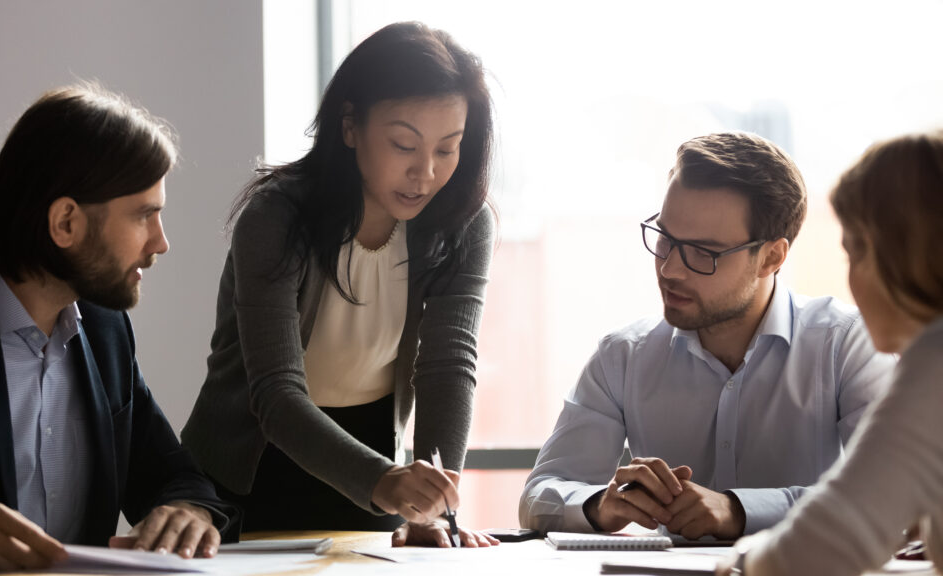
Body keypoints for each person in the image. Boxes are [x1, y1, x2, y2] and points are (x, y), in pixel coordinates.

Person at [181, 22, 497, 548]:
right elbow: (275, 394)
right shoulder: (275, 217)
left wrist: (431, 505)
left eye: (448, 149)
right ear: (350, 125)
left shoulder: (462, 223)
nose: (426, 173)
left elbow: (448, 365)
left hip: (369, 466)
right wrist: (383, 480)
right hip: (246, 472)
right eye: (403, 144)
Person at [0, 85, 235, 573]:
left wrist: (187, 512)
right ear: (65, 222)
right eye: (144, 215)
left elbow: (174, 476)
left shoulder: (107, 331)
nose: (161, 242)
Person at [519, 132, 895, 541]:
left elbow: (892, 491)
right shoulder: (623, 356)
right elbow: (539, 496)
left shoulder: (844, 345)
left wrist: (738, 509)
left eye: (703, 252)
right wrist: (599, 505)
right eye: (666, 239)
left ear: (771, 257)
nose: (669, 270)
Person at [716, 131, 943, 575]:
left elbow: (819, 547)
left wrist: (741, 561)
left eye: (853, 252)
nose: (852, 284)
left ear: (902, 256)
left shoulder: (934, 366)